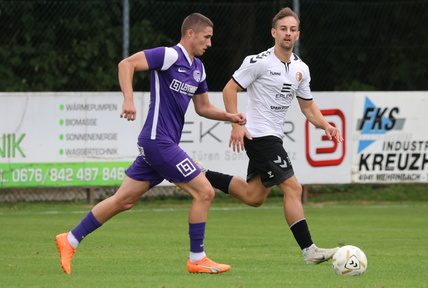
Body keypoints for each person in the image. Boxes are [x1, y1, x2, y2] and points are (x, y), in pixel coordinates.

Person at [55, 13, 246, 275]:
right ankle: (197, 258)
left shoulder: (198, 69)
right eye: (207, 37)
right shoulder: (169, 56)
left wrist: (229, 117)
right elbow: (126, 64)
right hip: (158, 142)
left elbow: (202, 107)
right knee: (205, 192)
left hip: (160, 144)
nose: (210, 43)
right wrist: (129, 100)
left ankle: (70, 240)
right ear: (190, 33)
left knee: (123, 201)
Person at [203, 7, 343, 265]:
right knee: (294, 187)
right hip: (258, 135)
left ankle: (198, 174)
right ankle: (309, 250)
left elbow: (308, 107)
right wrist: (236, 123)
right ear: (273, 33)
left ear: (297, 35)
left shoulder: (301, 68)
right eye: (283, 29)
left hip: (272, 137)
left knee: (253, 196)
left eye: (292, 30)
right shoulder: (258, 62)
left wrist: (325, 125)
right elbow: (229, 89)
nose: (287, 34)